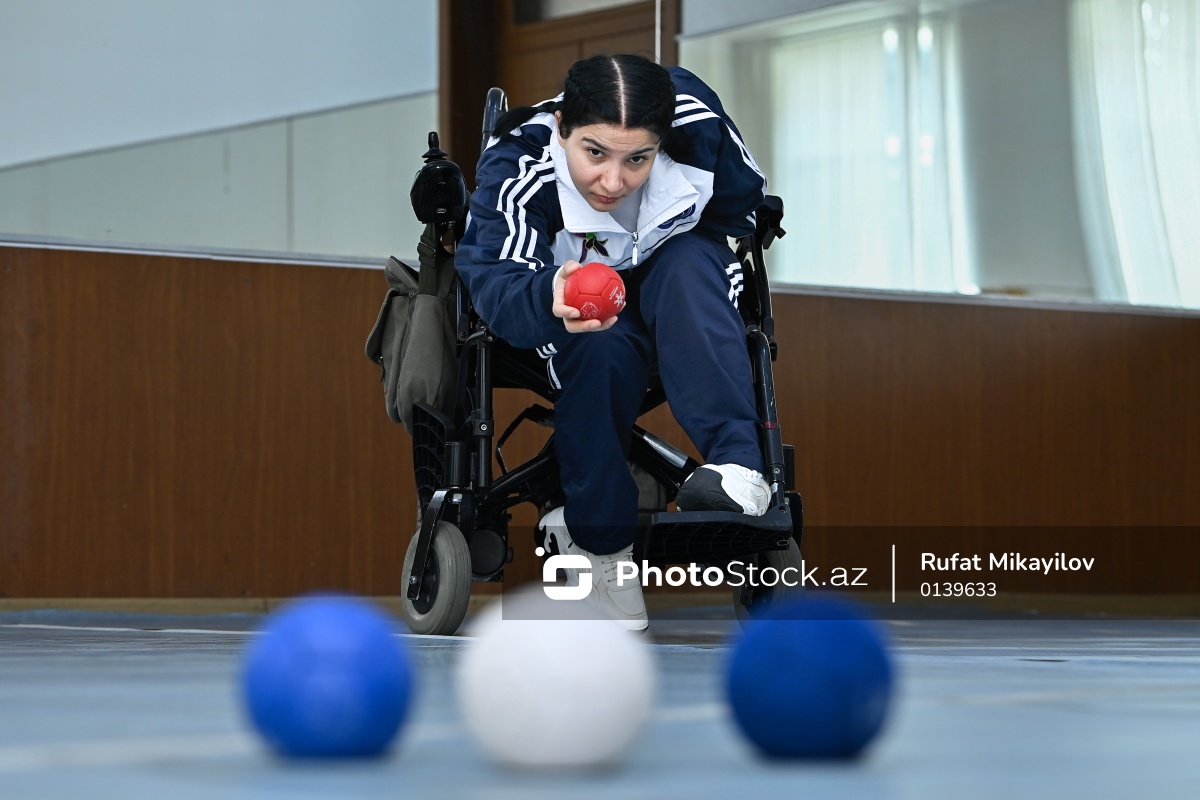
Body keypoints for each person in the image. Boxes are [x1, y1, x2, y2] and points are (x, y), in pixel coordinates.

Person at [455, 54, 770, 631]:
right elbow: (494, 278)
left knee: (692, 265)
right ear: (562, 129)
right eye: (595, 153)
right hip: (566, 303)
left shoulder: (699, 131)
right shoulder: (521, 161)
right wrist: (548, 296)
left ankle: (739, 468)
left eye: (637, 159)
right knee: (601, 344)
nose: (613, 181)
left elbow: (744, 209)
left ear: (661, 143)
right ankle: (599, 542)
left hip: (673, 292)